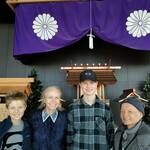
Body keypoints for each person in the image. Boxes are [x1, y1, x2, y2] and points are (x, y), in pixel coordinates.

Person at [67, 69, 114, 150]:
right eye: (85, 83)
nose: (88, 86)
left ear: (96, 84)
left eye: (92, 83)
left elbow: (111, 134)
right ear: (80, 85)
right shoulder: (72, 109)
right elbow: (69, 135)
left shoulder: (105, 108)